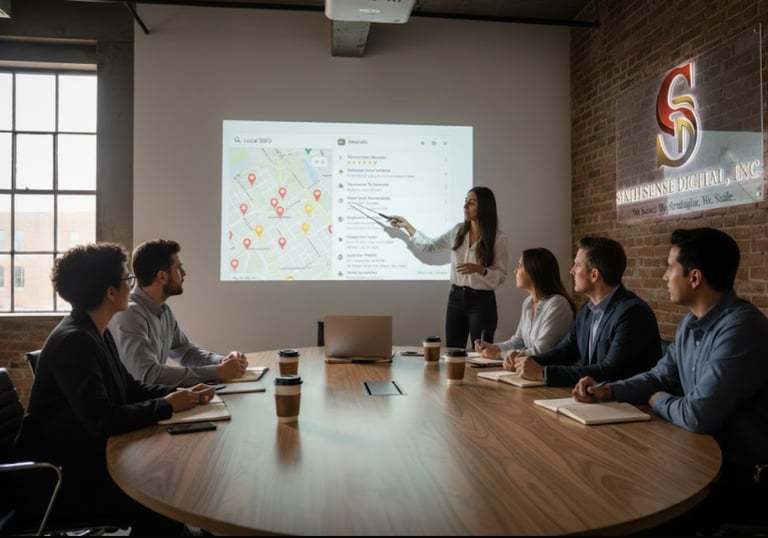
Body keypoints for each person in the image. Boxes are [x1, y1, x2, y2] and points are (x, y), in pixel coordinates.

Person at [12, 242, 216, 535]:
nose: (132, 287)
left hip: (82, 462)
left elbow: (129, 388)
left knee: (171, 486)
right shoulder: (75, 342)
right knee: (164, 497)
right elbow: (103, 420)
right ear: (110, 292)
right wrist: (169, 405)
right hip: (56, 483)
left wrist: (185, 396)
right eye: (127, 281)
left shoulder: (95, 330)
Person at [573, 227, 768, 532]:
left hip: (739, 475)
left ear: (694, 278)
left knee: (628, 503)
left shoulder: (742, 330)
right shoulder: (691, 323)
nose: (664, 276)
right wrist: (608, 391)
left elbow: (696, 415)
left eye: (670, 267)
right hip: (694, 456)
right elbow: (660, 375)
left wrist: (657, 399)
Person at [512, 236, 661, 387]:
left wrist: (543, 373)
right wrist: (526, 360)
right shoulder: (586, 311)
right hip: (596, 399)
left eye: (577, 266)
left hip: (631, 405)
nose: (571, 271)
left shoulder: (632, 313)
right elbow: (565, 351)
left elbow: (611, 371)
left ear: (594, 275)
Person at [108, 239, 249, 386]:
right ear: (162, 276)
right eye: (178, 269)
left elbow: (186, 352)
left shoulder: (163, 310)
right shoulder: (129, 314)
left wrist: (224, 361)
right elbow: (148, 376)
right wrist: (217, 372)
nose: (184, 273)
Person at [387, 186, 508, 349]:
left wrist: (480, 269)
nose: (465, 207)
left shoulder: (498, 238)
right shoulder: (458, 230)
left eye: (471, 203)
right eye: (465, 202)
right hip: (456, 298)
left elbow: (500, 276)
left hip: (482, 301)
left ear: (484, 207)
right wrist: (407, 226)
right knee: (453, 352)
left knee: (481, 353)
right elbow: (430, 245)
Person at [474, 247, 575, 360]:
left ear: (534, 270)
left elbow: (541, 351)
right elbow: (519, 341)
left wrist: (499, 355)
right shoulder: (528, 302)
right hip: (528, 370)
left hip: (548, 372)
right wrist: (494, 347)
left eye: (520, 265)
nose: (515, 271)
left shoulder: (557, 304)